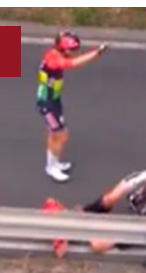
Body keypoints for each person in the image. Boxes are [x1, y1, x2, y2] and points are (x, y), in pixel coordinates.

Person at [45, 134, 146, 255]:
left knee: (98, 242)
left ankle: (71, 223)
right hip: (145, 214)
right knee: (99, 238)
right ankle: (70, 223)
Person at [37, 31, 108, 182]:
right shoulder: (53, 58)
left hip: (54, 100)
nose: (72, 53)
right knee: (61, 135)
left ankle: (53, 163)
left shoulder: (55, 53)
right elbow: (72, 64)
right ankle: (51, 168)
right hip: (47, 103)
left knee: (54, 134)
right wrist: (96, 54)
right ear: (62, 47)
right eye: (70, 50)